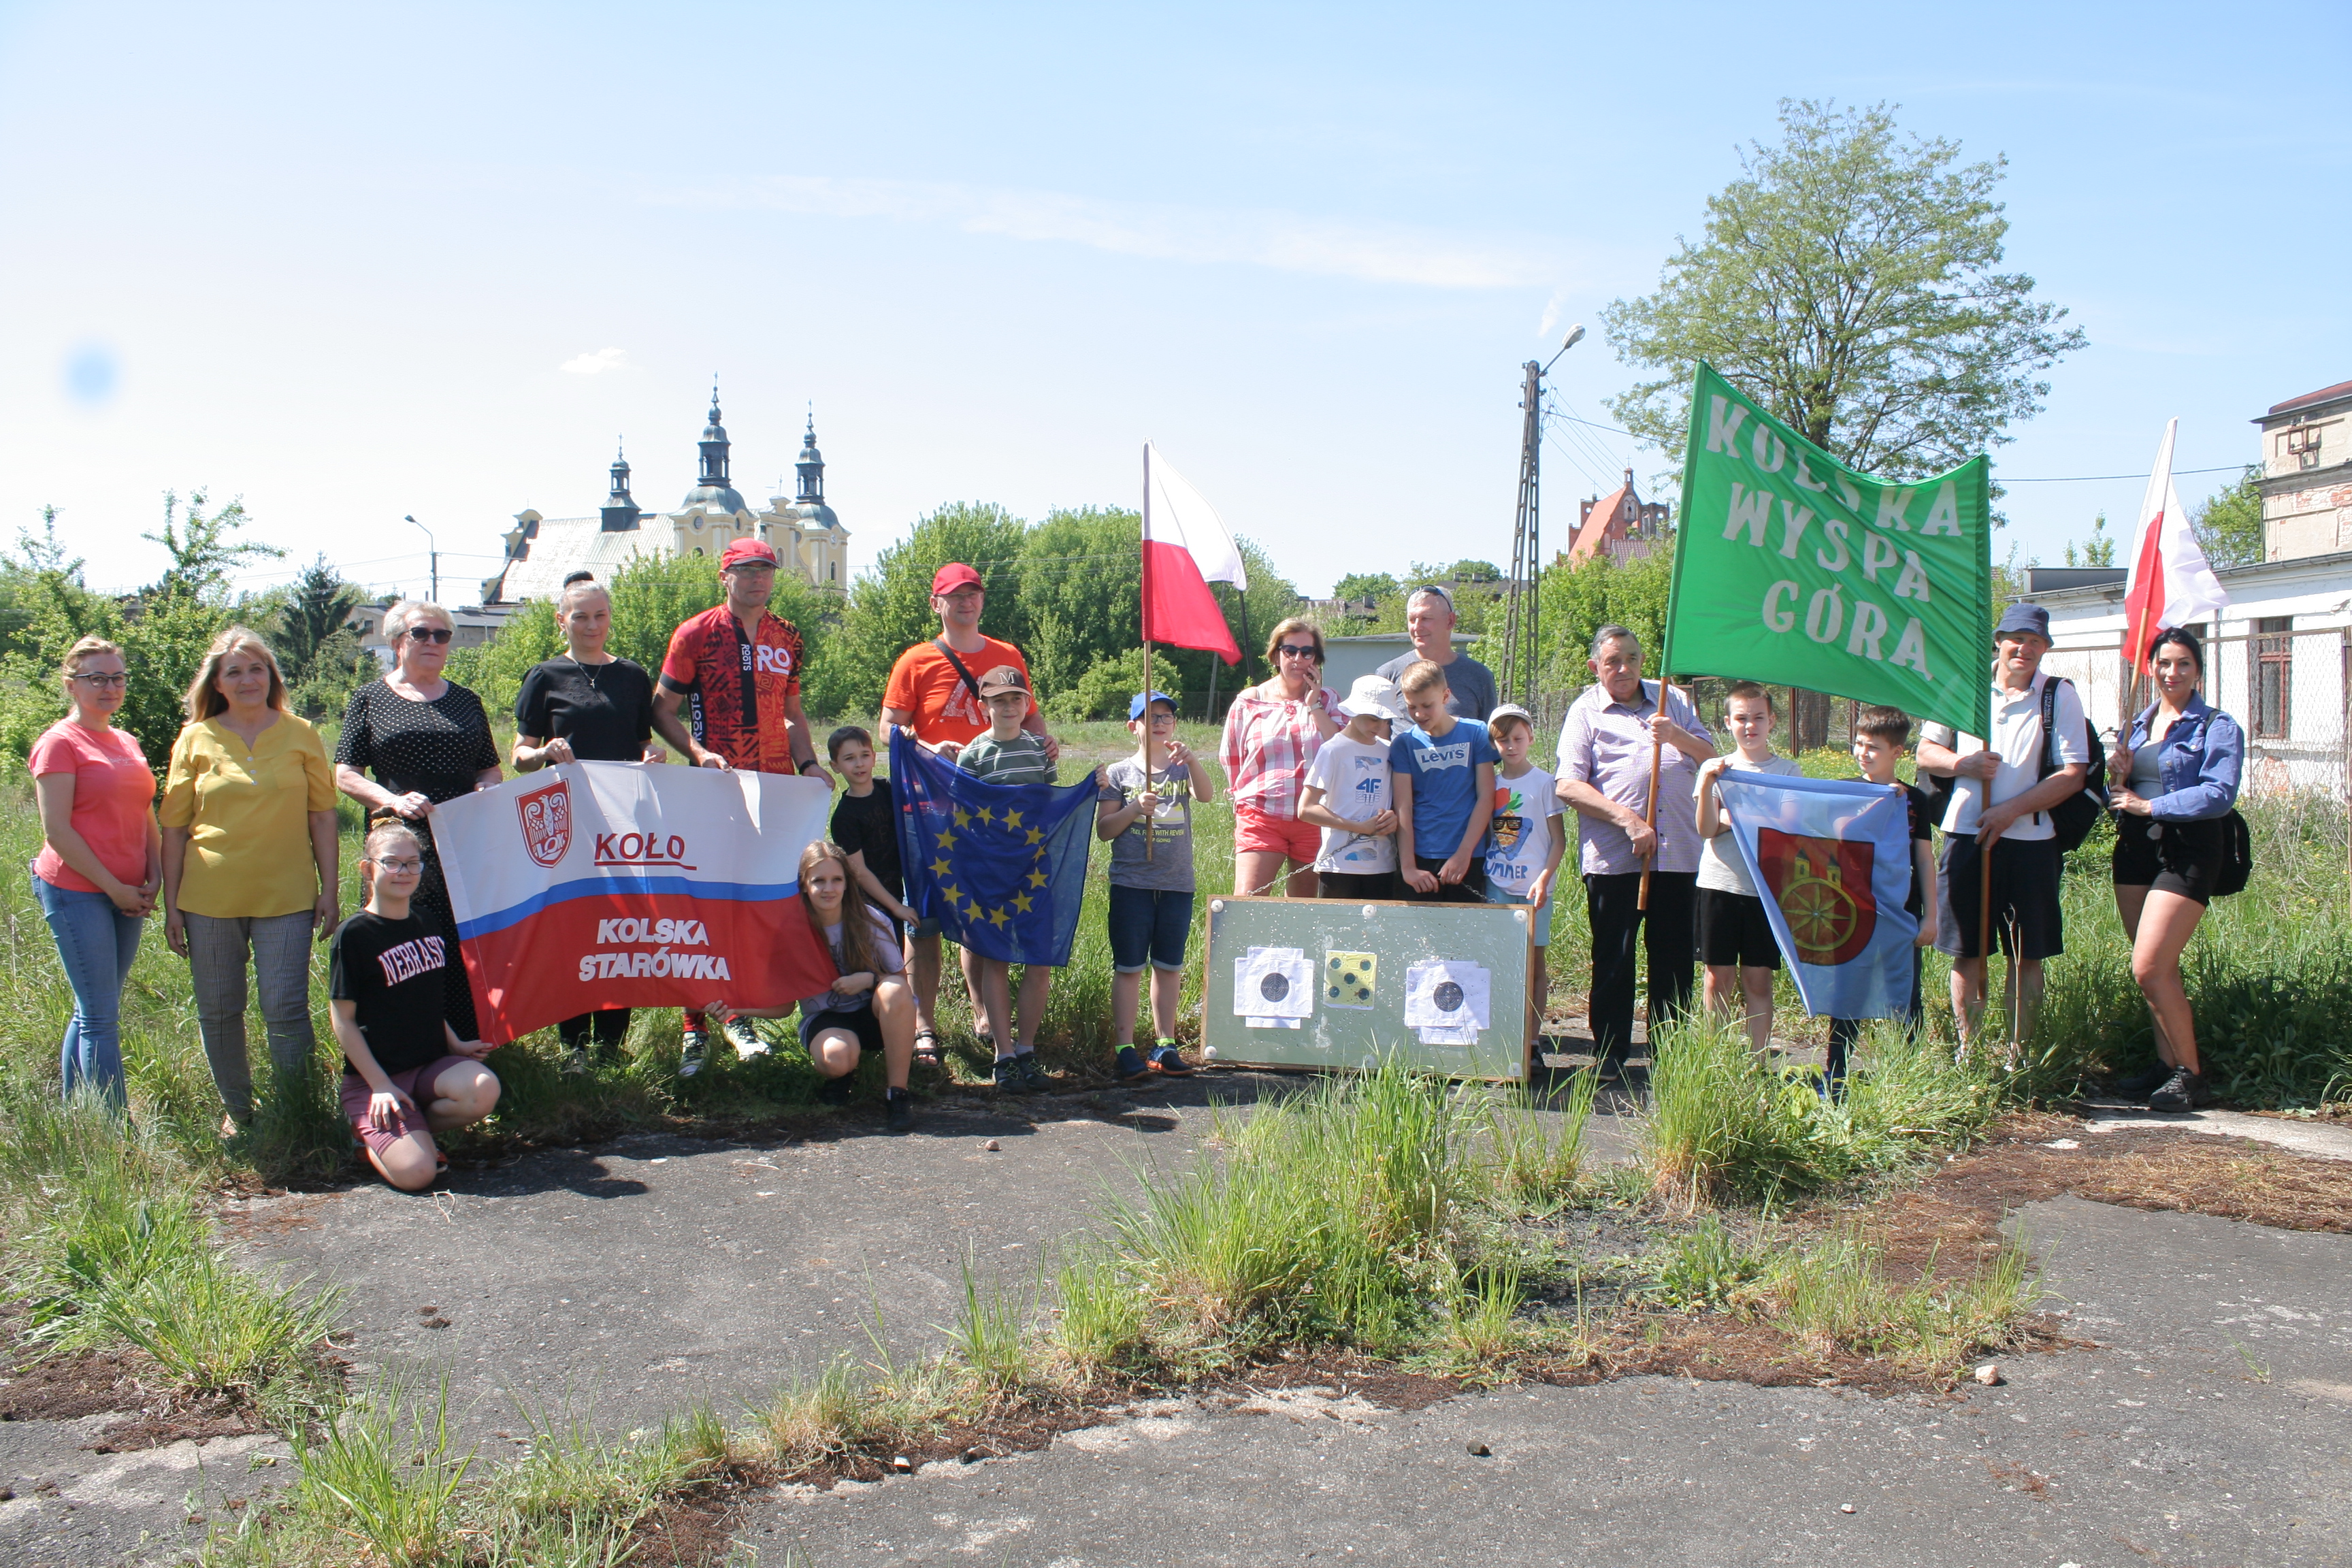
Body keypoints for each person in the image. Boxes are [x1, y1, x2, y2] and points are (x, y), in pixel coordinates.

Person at [652, 538, 832, 1075]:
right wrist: (699, 752)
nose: (758, 579)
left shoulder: (788, 636)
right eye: (746, 570)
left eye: (766, 570)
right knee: (705, 905)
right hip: (715, 788)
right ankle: (693, 1029)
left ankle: (741, 1016)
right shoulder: (695, 632)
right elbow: (662, 710)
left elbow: (794, 714)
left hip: (775, 791)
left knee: (763, 904)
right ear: (724, 576)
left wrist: (809, 766)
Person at [160, 627, 340, 1136]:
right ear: (216, 682)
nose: (246, 680)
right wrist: (172, 906)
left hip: (287, 895)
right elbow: (173, 828)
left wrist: (329, 889)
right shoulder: (195, 738)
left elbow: (323, 817)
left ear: (271, 676)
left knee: (285, 1008)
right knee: (219, 1009)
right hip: (209, 896)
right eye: (233, 671)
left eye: (256, 669)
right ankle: (238, 1113)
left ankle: (297, 1112)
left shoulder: (300, 731)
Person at [879, 562, 1060, 1059]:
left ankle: (986, 1015)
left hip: (997, 817)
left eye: (974, 594)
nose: (966, 602)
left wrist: (1046, 745)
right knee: (927, 920)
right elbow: (888, 728)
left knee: (981, 916)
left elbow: (1034, 717)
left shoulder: (1006, 655)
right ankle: (922, 1026)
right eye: (955, 595)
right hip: (931, 807)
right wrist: (925, 745)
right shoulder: (914, 660)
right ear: (936, 603)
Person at [1916, 604, 2089, 1045]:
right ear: (1998, 641)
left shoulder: (2058, 694)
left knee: (2025, 955)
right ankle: (1968, 1053)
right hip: (1966, 838)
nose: (2024, 649)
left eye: (2035, 642)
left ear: (2045, 648)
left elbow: (2073, 773)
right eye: (2016, 638)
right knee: (1967, 952)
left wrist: (2010, 810)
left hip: (2031, 842)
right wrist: (1964, 763)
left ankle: (2021, 1054)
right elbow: (1925, 753)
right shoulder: (1964, 685)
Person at [334, 600, 503, 1042]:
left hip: (463, 845)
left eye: (441, 635)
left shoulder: (467, 701)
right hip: (400, 850)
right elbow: (346, 774)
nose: (433, 642)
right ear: (395, 643)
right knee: (402, 948)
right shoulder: (370, 699)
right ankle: (403, 1052)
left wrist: (487, 788)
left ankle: (467, 1048)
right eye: (420, 634)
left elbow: (489, 767)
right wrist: (391, 800)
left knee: (462, 945)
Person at [1554, 625, 1717, 1079]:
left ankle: (1672, 1056)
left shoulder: (1673, 701)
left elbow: (1711, 757)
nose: (1623, 668)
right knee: (1615, 956)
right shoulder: (1586, 711)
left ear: (1643, 660)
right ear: (1595, 667)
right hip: (1615, 857)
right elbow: (1567, 783)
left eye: (1631, 658)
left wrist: (1675, 736)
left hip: (1679, 853)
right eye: (1612, 661)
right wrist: (1628, 820)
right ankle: (1609, 1056)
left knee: (1674, 958)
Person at [513, 573, 659, 1073]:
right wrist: (542, 753)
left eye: (600, 615)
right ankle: (574, 1047)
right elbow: (518, 754)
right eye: (580, 616)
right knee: (575, 931)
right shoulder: (545, 676)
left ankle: (613, 1047)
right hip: (569, 824)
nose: (592, 625)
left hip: (624, 825)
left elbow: (640, 741)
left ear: (610, 618)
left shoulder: (634, 676)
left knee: (621, 929)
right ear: (562, 621)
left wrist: (652, 754)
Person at [2106, 627, 2243, 1112]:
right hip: (2136, 850)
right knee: (2158, 968)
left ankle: (2192, 1076)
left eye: (2183, 663)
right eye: (2164, 663)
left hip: (2188, 849)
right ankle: (2166, 1067)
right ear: (2151, 668)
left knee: (2147, 966)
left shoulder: (2216, 726)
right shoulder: (2137, 725)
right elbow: (2117, 798)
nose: (2172, 672)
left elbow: (2218, 793)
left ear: (2198, 670)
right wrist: (2116, 773)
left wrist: (2150, 805)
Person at [329, 822, 501, 1192]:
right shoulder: (355, 934)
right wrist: (379, 1085)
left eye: (413, 863)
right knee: (418, 1174)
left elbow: (423, 997)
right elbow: (342, 1020)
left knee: (483, 1088)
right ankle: (367, 1135)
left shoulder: (427, 920)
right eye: (392, 863)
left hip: (426, 1068)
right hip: (374, 1079)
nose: (403, 872)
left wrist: (454, 1044)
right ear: (367, 868)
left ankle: (410, 1127)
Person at [701, 841, 917, 1131]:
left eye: (836, 880)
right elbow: (784, 1006)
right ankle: (842, 1075)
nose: (829, 889)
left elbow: (901, 984)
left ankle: (897, 1094)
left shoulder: (870, 920)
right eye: (819, 881)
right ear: (803, 884)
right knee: (837, 1060)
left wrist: (869, 980)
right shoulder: (789, 930)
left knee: (893, 990)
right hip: (826, 1018)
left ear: (847, 883)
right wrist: (732, 1007)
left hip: (875, 1013)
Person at [29, 636, 160, 1108]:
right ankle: (116, 1135)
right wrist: (115, 889)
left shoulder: (125, 739)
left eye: (117, 677)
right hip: (77, 891)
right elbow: (58, 831)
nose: (110, 687)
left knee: (94, 1008)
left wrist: (155, 876)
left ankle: (73, 1111)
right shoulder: (58, 744)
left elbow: (145, 812)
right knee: (101, 1015)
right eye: (97, 678)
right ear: (71, 684)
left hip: (128, 891)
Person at [957, 665, 1082, 1092]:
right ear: (983, 706)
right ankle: (1004, 1056)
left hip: (1037, 871)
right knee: (996, 958)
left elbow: (1049, 805)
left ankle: (1027, 1051)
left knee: (1039, 960)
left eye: (1016, 700)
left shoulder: (1039, 751)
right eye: (998, 701)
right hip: (992, 873)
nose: (1008, 707)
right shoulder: (972, 756)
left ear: (1027, 705)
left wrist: (1088, 788)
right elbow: (963, 817)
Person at [1096, 689, 1213, 1082]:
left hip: (1177, 884)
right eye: (1152, 717)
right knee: (1130, 967)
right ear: (1134, 727)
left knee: (1169, 967)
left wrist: (1193, 760)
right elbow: (1104, 831)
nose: (1161, 722)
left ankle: (1166, 1044)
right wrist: (1134, 809)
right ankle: (1125, 1048)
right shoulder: (1119, 773)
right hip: (1132, 884)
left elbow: (1207, 795)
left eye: (1167, 717)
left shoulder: (1181, 769)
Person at [1823, 706, 1939, 1096]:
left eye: (1873, 747)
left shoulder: (1915, 800)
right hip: (1851, 914)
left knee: (1905, 994)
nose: (1863, 753)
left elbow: (1924, 859)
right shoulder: (1842, 790)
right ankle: (1836, 1077)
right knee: (1848, 995)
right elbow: (1825, 831)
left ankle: (1904, 1079)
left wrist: (1931, 917)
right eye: (1859, 743)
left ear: (1898, 753)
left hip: (1901, 915)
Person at [1691, 683, 1801, 1056]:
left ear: (1772, 721)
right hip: (1718, 884)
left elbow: (1784, 827)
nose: (1750, 726)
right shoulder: (1714, 768)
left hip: (1766, 891)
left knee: (1758, 980)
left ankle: (1756, 1063)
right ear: (1727, 723)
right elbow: (1706, 828)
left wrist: (1731, 815)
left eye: (1758, 718)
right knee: (1716, 978)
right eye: (1741, 718)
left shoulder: (1789, 771)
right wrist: (1709, 788)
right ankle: (1715, 1061)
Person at [1218, 617, 1341, 899]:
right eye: (1290, 651)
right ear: (1276, 655)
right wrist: (1244, 797)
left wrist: (1315, 703)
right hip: (1261, 816)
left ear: (1317, 658)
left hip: (1314, 817)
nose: (1298, 659)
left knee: (1303, 909)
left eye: (1307, 652)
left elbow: (1339, 747)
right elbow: (1231, 756)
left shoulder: (1330, 700)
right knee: (1249, 901)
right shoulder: (1250, 700)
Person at [825, 724, 926, 1055]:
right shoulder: (844, 816)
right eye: (849, 758)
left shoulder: (887, 790)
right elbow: (859, 871)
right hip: (871, 902)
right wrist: (894, 908)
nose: (859, 764)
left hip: (901, 890)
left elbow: (921, 791)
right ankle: (874, 1037)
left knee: (896, 967)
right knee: (875, 967)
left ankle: (903, 1030)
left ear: (875, 756)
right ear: (835, 766)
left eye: (865, 755)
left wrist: (911, 744)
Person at [1483, 703, 1565, 1045]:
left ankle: (1531, 1041)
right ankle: (1502, 1035)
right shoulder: (1490, 783)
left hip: (1534, 889)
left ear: (1530, 737)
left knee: (1534, 962)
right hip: (1497, 884)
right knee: (1500, 961)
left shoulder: (1545, 783)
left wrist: (1544, 878)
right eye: (1503, 741)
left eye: (1518, 738)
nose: (1511, 746)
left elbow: (1559, 839)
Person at [1391, 659, 1499, 904]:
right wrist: (1408, 867)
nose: (1419, 714)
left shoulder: (1476, 733)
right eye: (1411, 707)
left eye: (1427, 705)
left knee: (1464, 935)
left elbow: (1486, 796)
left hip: (1469, 854)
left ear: (1446, 696)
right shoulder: (1405, 744)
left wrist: (1464, 854)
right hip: (1421, 857)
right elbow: (1403, 807)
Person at [1299, 674, 1405, 901]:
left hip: (1382, 865)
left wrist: (1394, 818)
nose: (1379, 725)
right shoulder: (1333, 750)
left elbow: (1399, 801)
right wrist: (1358, 827)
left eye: (1386, 719)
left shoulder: (1389, 750)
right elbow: (1306, 809)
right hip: (1338, 866)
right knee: (1336, 935)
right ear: (1354, 711)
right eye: (1373, 718)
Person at [1373, 585, 1497, 721]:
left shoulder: (1479, 676)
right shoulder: (1388, 675)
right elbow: (1375, 736)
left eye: (1426, 618)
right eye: (1412, 619)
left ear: (1450, 621)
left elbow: (1491, 738)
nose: (1417, 627)